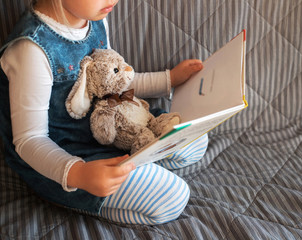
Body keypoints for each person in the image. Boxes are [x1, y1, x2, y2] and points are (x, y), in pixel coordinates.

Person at [0, 0, 208, 225]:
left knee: (197, 139)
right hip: (68, 158)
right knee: (173, 198)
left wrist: (169, 79)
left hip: (112, 127)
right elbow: (29, 140)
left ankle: (139, 163)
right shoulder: (31, 50)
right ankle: (80, 200)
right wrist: (79, 174)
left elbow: (115, 82)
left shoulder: (94, 18)